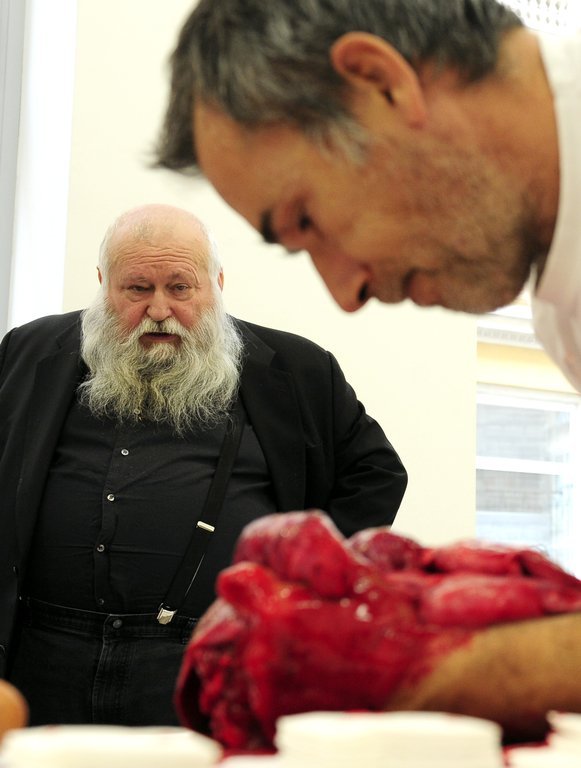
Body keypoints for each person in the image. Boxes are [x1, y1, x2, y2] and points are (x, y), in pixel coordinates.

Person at [153, 0, 581, 740]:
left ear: (381, 82)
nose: (344, 294)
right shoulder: (560, 305)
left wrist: (386, 664)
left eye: (306, 220)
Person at [0, 203, 407, 727]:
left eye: (180, 287)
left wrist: (306, 581)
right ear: (103, 285)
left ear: (216, 284)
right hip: (41, 655)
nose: (159, 309)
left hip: (205, 657)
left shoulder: (297, 369)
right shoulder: (29, 352)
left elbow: (375, 474)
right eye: (137, 288)